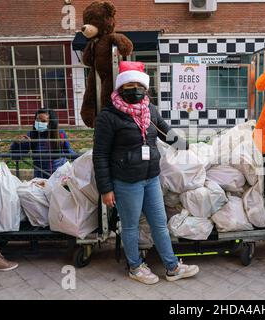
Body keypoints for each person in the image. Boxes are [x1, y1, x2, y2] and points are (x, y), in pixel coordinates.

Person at [93, 61, 198, 285]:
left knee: (159, 223)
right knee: (130, 225)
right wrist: (106, 189)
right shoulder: (108, 116)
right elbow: (100, 155)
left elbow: (163, 130)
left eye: (138, 84)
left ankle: (172, 267)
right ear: (120, 88)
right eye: (129, 85)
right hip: (126, 181)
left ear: (145, 87)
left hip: (151, 177)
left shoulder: (149, 110)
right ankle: (135, 266)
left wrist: (185, 145)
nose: (135, 89)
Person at [10, 109, 77, 178]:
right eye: (37, 120)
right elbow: (16, 155)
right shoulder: (32, 134)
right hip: (40, 177)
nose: (39, 123)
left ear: (51, 123)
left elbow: (69, 153)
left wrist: (82, 158)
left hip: (60, 175)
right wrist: (17, 144)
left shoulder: (60, 134)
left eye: (43, 121)